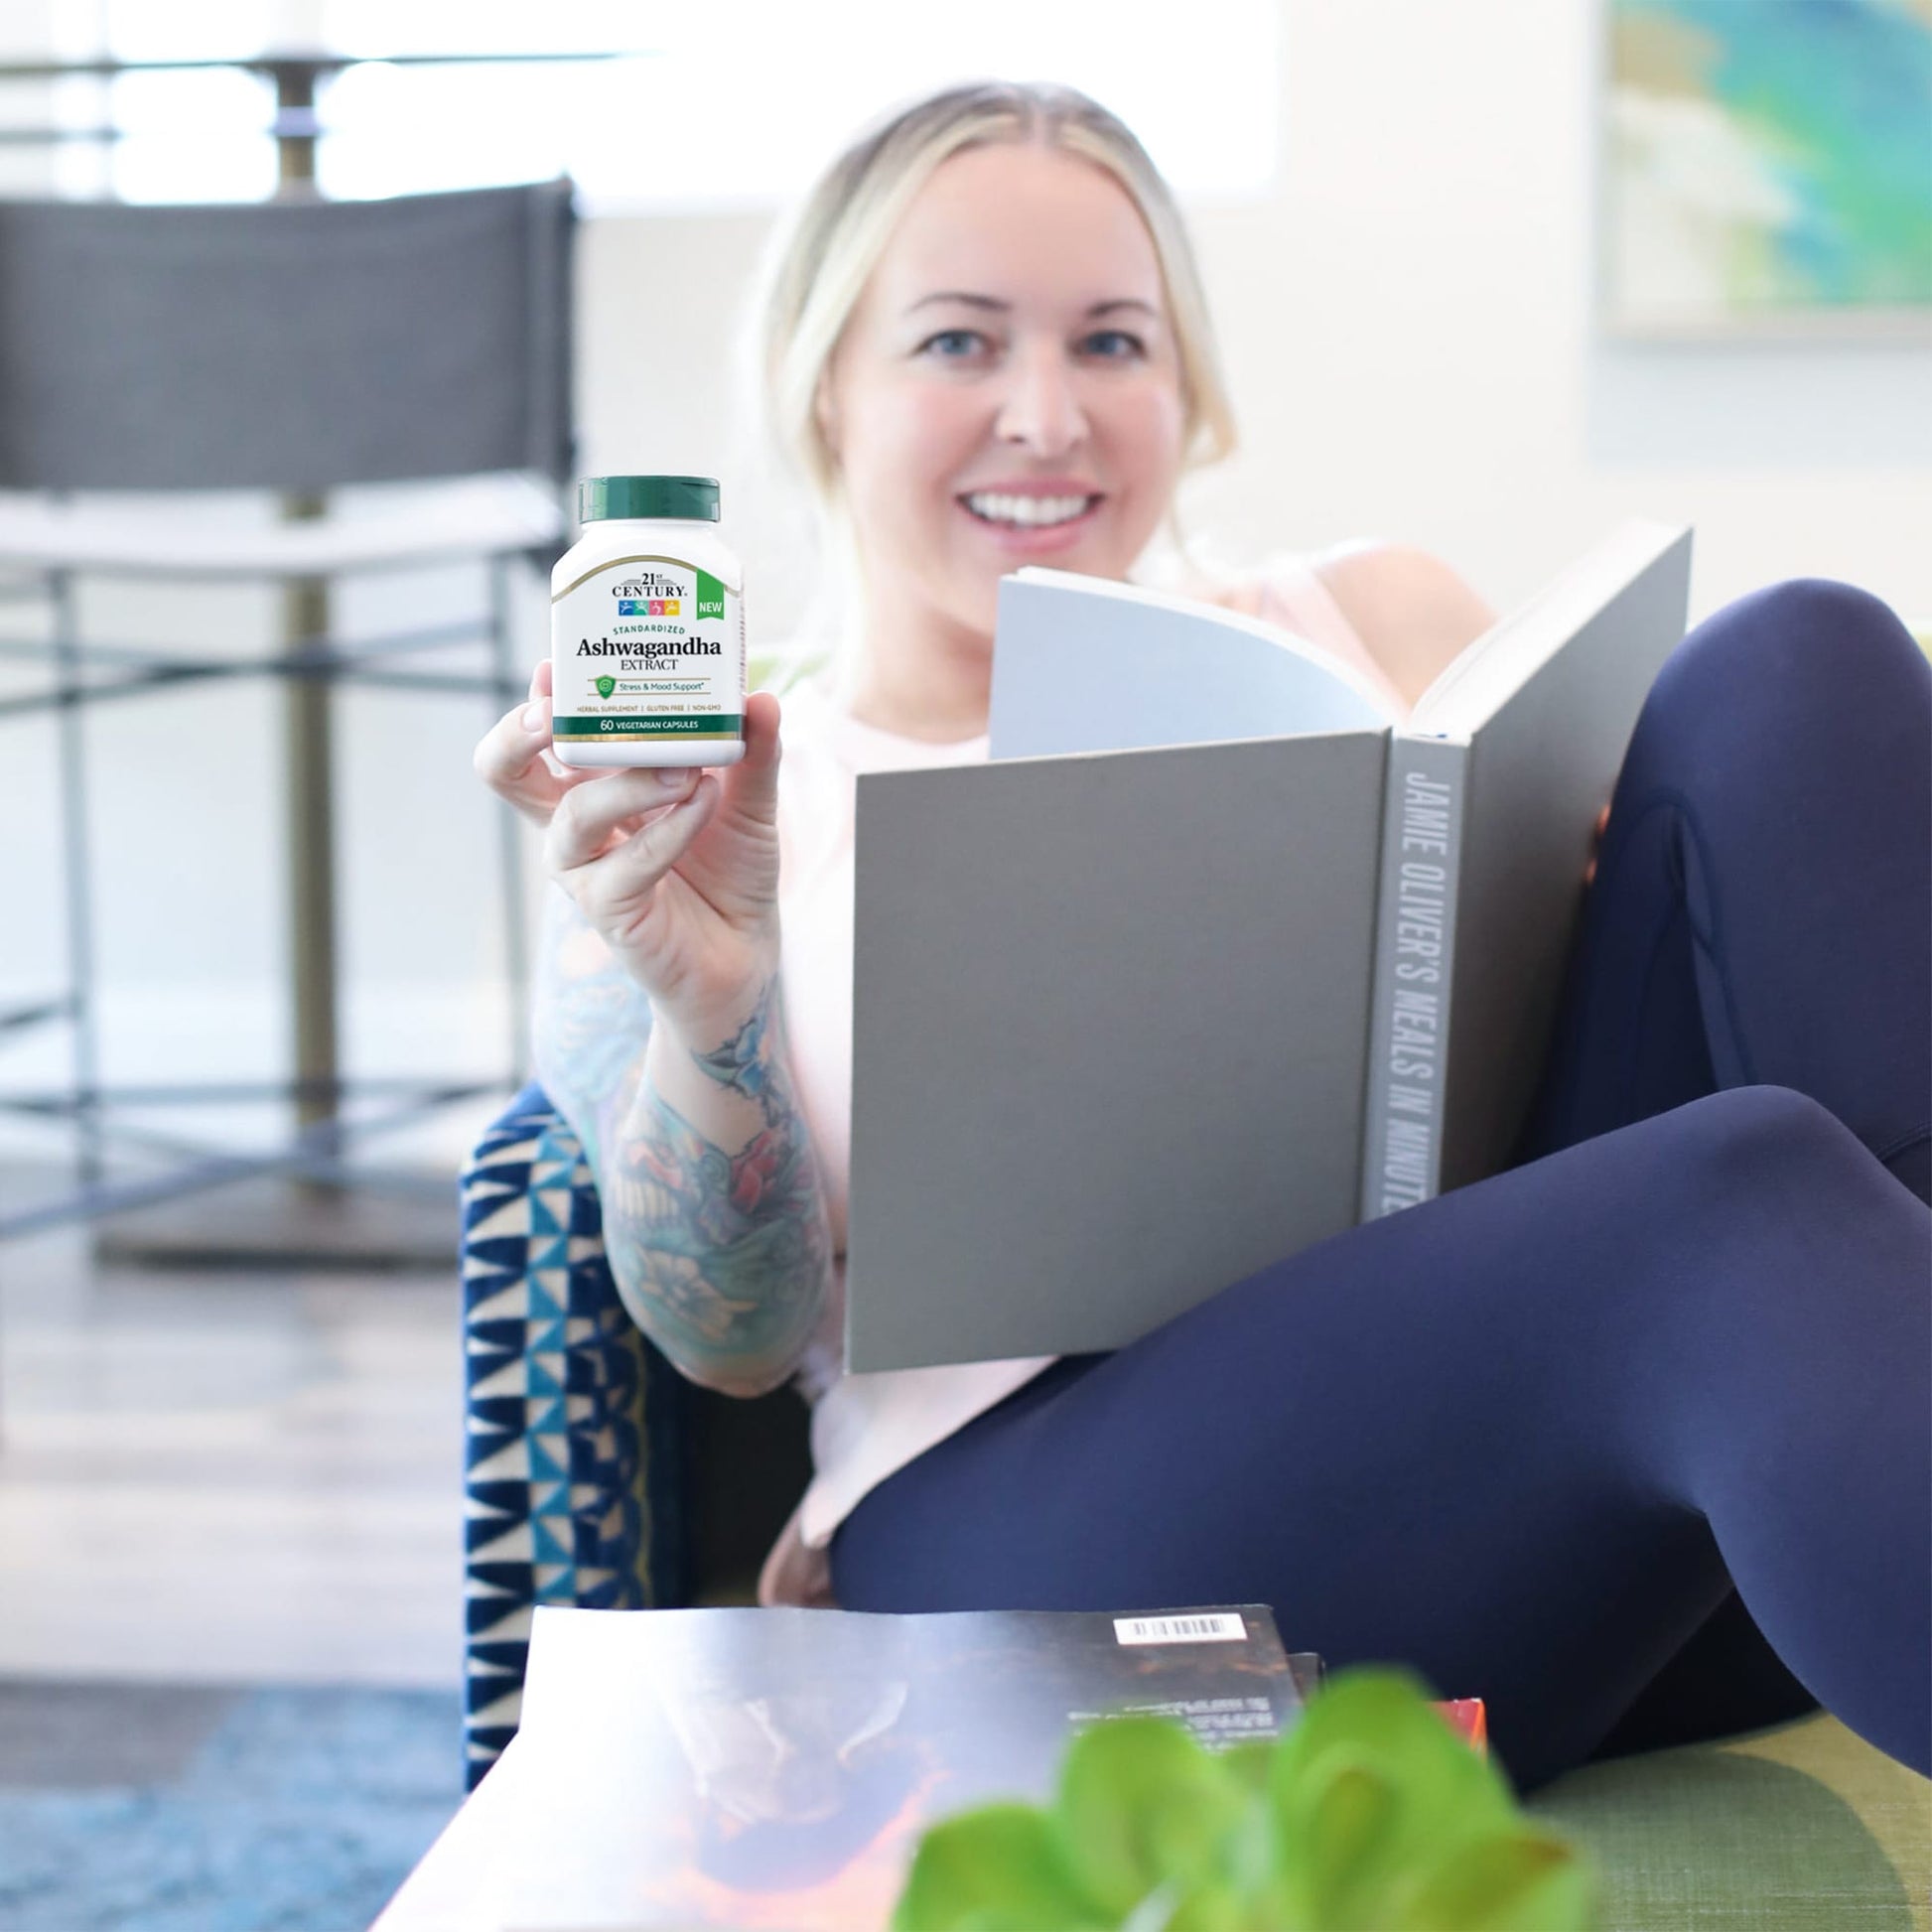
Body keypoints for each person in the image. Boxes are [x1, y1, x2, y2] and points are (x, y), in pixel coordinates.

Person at [474, 80, 1930, 1792]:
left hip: (1584, 1523)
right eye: (956, 343)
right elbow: (721, 1341)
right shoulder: (702, 808)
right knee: (1735, 1203)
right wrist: (712, 1004)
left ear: (1187, 386)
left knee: (1797, 658)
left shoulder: (1369, 621)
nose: (1045, 416)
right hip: (1058, 1546)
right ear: (823, 389)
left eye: (1110, 341)